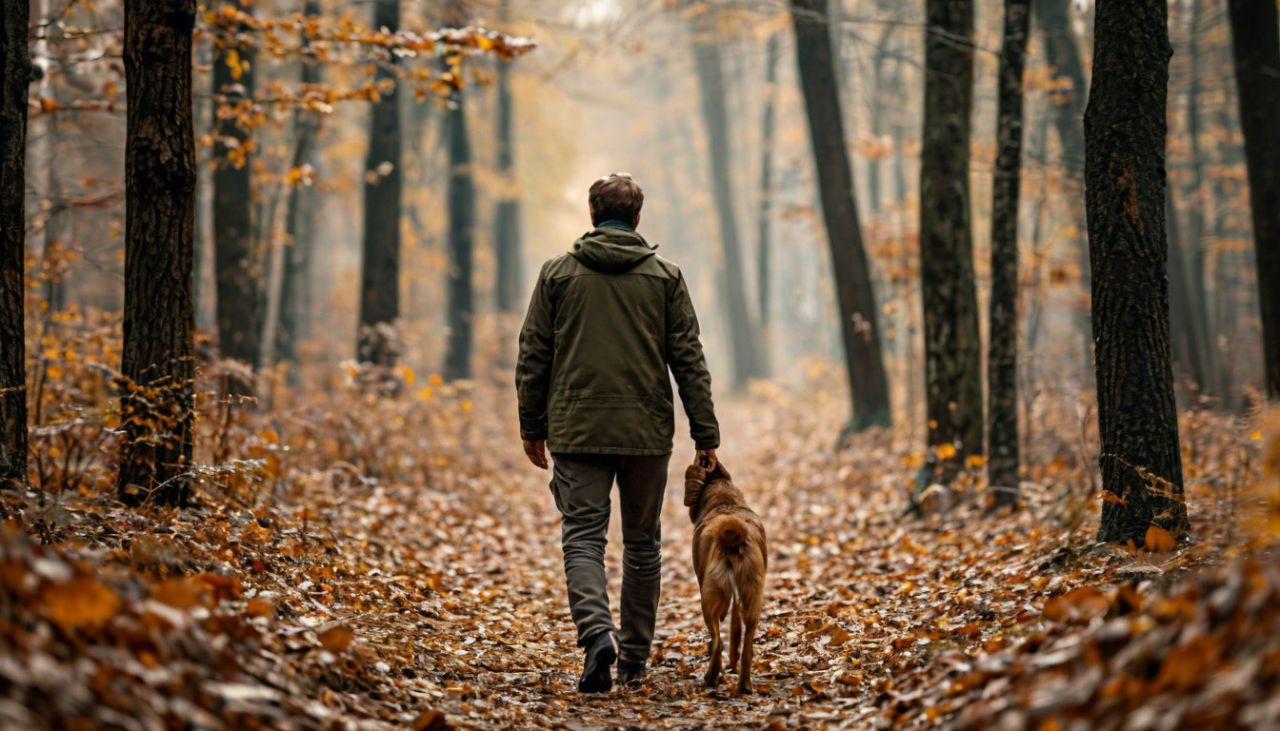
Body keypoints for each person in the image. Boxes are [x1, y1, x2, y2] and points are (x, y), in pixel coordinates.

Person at [516, 173, 720, 693]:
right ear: (636, 219)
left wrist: (531, 425)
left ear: (591, 215)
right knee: (642, 544)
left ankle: (596, 633)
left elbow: (534, 354)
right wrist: (705, 431)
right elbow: (688, 357)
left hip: (577, 429)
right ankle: (632, 659)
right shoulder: (665, 276)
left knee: (582, 537)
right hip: (645, 432)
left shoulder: (557, 274)